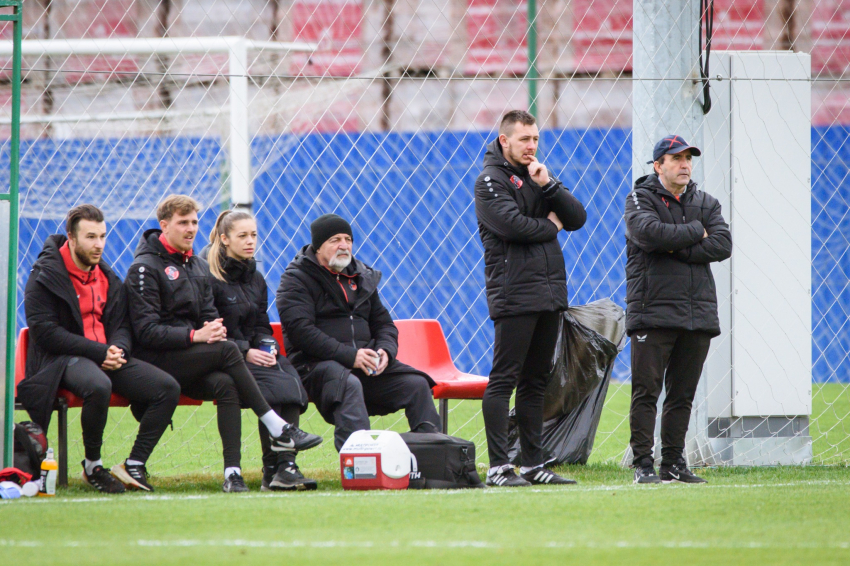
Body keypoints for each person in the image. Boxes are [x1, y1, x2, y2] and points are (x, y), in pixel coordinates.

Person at [125, 195, 322, 493]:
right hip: (157, 360)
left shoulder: (198, 266)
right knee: (231, 351)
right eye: (183, 222)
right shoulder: (145, 268)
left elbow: (214, 317)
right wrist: (201, 337)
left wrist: (247, 340)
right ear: (164, 225)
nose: (191, 228)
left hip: (195, 357)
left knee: (233, 381)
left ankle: (235, 474)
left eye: (194, 222)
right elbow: (146, 332)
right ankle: (278, 429)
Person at [18, 204, 181, 493]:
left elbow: (122, 323)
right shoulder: (44, 275)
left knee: (167, 388)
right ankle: (93, 466)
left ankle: (134, 465)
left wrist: (118, 348)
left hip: (105, 356)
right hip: (61, 359)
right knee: (98, 385)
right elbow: (46, 333)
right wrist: (99, 352)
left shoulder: (107, 276)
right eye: (91, 237)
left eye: (103, 236)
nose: (99, 245)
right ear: (71, 237)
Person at [474, 110, 587, 487]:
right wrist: (550, 225)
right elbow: (513, 227)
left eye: (535, 138)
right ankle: (498, 468)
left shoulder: (538, 175)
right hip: (515, 293)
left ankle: (533, 465)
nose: (532, 146)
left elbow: (577, 218)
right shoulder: (489, 180)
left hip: (549, 293)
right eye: (524, 139)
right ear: (504, 140)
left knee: (536, 381)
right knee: (503, 379)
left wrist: (549, 184)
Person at [276, 213, 441, 451]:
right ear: (318, 246)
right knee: (349, 384)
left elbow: (384, 325)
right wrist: (351, 356)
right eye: (335, 240)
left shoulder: (362, 277)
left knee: (416, 384)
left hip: (364, 366)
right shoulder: (296, 278)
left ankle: (431, 457)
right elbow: (301, 332)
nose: (344, 245)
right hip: (315, 366)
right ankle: (359, 461)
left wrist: (385, 351)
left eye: (348, 239)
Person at [625, 135, 732, 484]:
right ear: (659, 165)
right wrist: (696, 231)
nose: (685, 164)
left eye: (688, 158)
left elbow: (723, 245)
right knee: (646, 392)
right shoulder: (639, 199)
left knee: (682, 395)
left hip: (697, 312)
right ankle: (643, 464)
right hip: (652, 310)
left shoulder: (706, 202)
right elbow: (650, 234)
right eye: (677, 158)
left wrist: (676, 245)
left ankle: (672, 463)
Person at [202, 210, 317, 491]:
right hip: (222, 357)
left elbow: (261, 325)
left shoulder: (256, 278)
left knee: (288, 377)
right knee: (273, 384)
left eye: (253, 235)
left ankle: (283, 468)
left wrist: (268, 346)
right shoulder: (208, 276)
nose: (250, 241)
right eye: (242, 236)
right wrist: (245, 351)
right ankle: (275, 469)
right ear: (225, 239)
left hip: (252, 354)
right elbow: (209, 328)